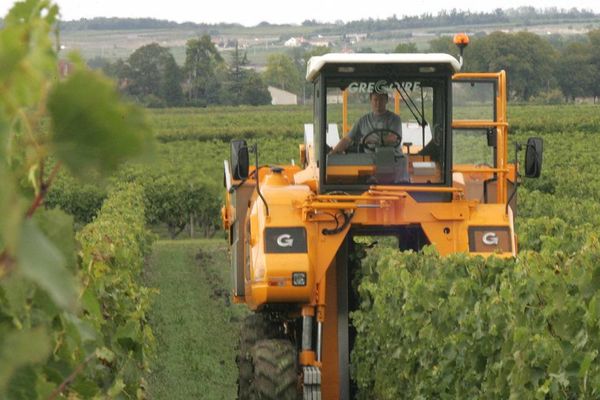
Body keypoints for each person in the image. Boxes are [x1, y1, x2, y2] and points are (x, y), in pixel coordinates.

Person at [330, 91, 402, 154]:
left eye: (381, 99)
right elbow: (347, 139)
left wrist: (373, 140)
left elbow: (393, 138)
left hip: (392, 160)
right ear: (371, 100)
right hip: (369, 160)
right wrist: (333, 153)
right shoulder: (362, 121)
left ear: (386, 100)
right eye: (375, 100)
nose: (378, 103)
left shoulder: (395, 119)